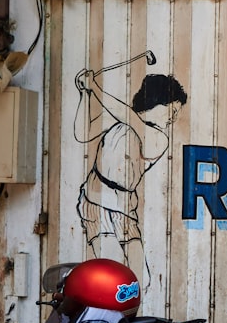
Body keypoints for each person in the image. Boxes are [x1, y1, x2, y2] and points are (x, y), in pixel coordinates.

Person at [73, 51, 188, 281]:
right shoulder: (121, 120)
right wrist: (85, 94)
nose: (173, 118)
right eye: (173, 110)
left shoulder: (157, 138)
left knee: (139, 278)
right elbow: (82, 133)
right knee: (114, 277)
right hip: (96, 202)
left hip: (124, 206)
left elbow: (127, 115)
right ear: (157, 102)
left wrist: (94, 88)